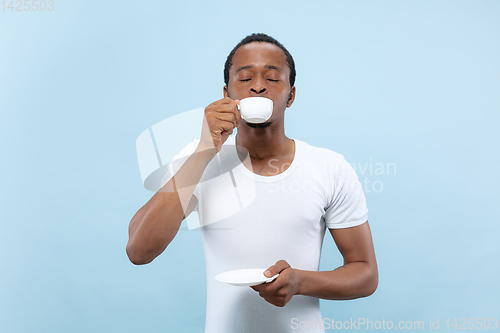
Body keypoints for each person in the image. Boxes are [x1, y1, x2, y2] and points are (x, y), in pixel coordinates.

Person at [126, 33, 378, 332]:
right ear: (226, 93)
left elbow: (365, 274)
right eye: (245, 78)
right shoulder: (199, 160)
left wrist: (300, 281)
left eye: (272, 78)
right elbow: (139, 251)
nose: (258, 86)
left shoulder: (330, 167)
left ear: (291, 95)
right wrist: (205, 149)